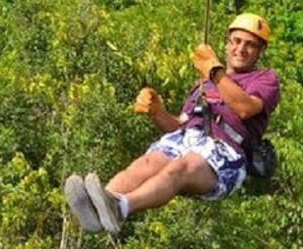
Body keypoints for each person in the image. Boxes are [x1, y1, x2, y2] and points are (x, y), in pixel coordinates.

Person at [65, 12, 281, 234]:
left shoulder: (265, 79)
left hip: (224, 155)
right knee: (148, 163)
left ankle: (121, 207)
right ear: (227, 44)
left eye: (250, 45)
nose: (240, 49)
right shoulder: (204, 84)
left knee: (181, 167)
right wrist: (158, 112)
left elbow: (245, 108)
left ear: (260, 51)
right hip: (188, 140)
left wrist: (215, 71)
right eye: (236, 41)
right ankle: (100, 204)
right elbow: (181, 125)